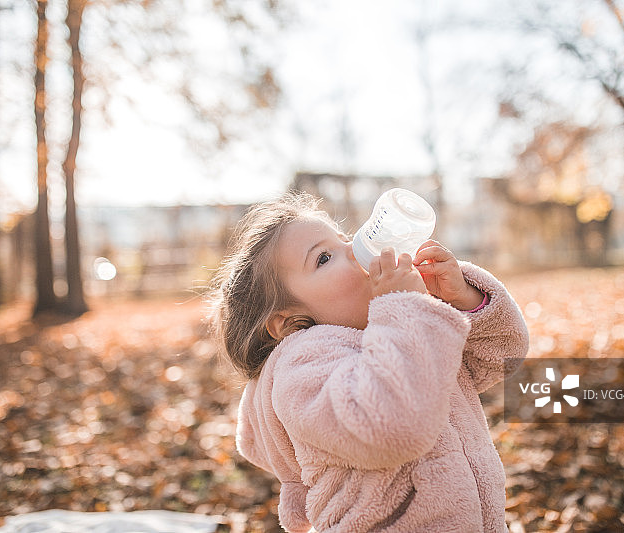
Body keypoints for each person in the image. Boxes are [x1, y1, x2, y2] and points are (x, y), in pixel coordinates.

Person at [208, 192, 529, 533]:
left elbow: (501, 355)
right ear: (286, 321)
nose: (354, 249)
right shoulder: (303, 366)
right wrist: (403, 309)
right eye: (324, 258)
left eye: (345, 239)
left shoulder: (405, 331)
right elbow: (394, 425)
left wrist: (463, 298)